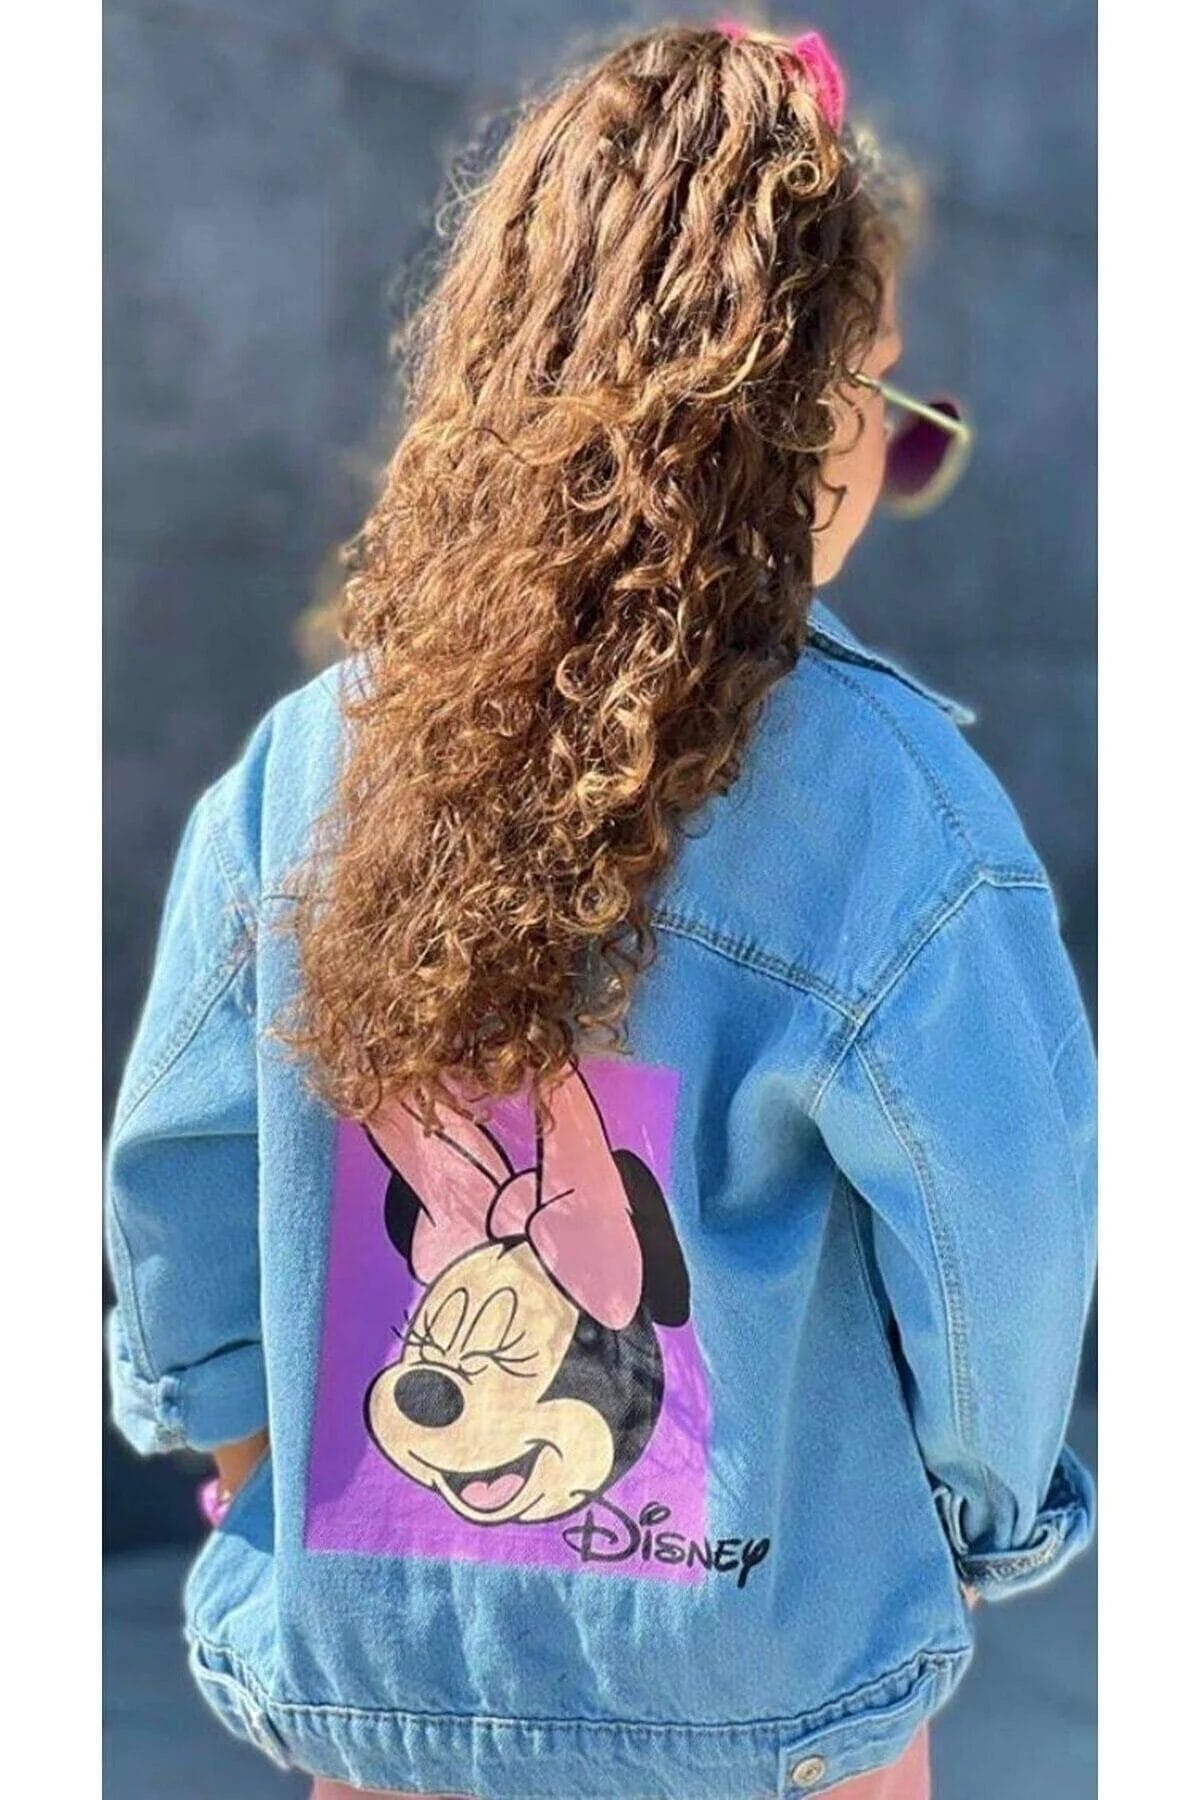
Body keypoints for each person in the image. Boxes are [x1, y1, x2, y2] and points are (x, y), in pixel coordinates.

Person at [104, 20, 1096, 1800]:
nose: (890, 458)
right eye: (883, 398)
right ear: (797, 420)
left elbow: (172, 1175)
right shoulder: (901, 817)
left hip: (384, 1706)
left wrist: (262, 1484)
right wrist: (972, 1524)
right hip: (768, 1709)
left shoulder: (300, 769)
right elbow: (1001, 1235)